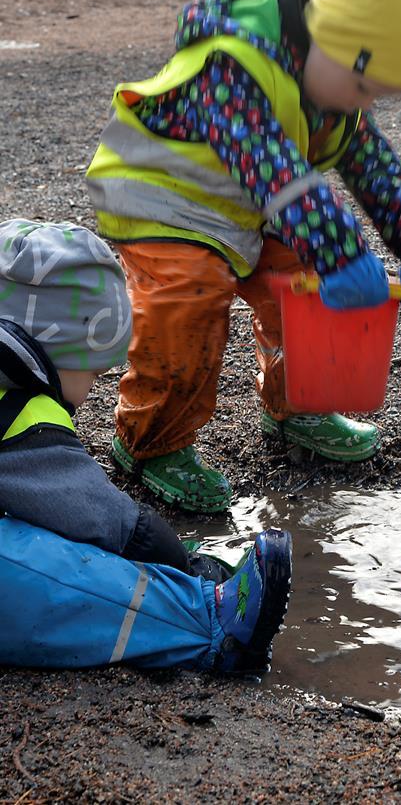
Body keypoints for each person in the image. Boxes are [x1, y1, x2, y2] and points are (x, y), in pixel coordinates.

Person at [86, 0, 401, 514]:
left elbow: (373, 165)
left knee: (298, 279)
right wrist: (342, 253)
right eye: (365, 88)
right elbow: (275, 172)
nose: (364, 107)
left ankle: (296, 407)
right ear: (335, 38)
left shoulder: (332, 86)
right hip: (163, 197)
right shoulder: (230, 64)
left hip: (247, 205)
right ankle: (151, 443)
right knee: (190, 295)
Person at [0, 218, 291, 672]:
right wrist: (179, 562)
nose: (93, 386)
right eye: (94, 371)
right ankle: (206, 620)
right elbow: (100, 517)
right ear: (53, 351)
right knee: (40, 569)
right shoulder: (23, 412)